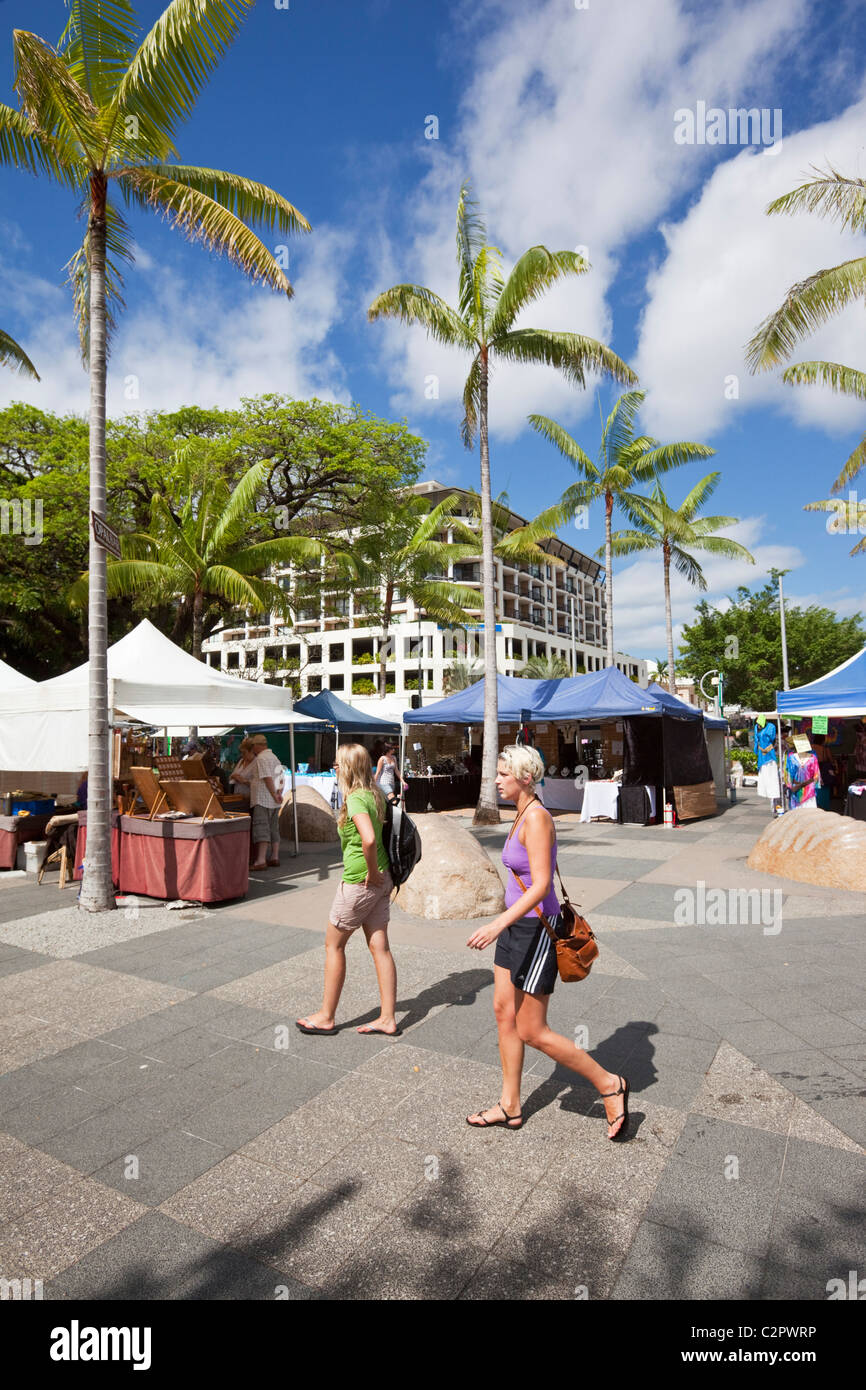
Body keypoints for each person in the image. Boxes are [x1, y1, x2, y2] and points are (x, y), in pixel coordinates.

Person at [466, 744, 630, 1141]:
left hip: (536, 930)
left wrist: (496, 924)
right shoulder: (521, 812)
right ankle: (510, 1105)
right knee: (504, 1012)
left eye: (503, 774)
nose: (496, 780)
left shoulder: (536, 818)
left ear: (524, 777)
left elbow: (541, 886)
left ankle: (610, 1084)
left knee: (531, 1029)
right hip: (514, 929)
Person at [296, 743, 398, 1037]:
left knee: (334, 946)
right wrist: (378, 873)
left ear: (349, 768)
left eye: (338, 764)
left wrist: (371, 871)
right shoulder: (375, 793)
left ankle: (326, 1016)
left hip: (360, 882)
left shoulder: (355, 799)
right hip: (380, 880)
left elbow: (367, 839)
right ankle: (388, 1018)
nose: (334, 768)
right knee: (381, 948)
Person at [233, 733, 284, 868]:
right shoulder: (274, 757)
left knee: (261, 828)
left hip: (262, 799)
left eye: (253, 746)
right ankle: (274, 856)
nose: (253, 749)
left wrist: (274, 794)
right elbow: (281, 776)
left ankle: (261, 860)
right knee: (273, 828)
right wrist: (279, 793)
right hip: (272, 801)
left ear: (256, 746)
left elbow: (267, 778)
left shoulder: (261, 758)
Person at [374, 740, 401, 805]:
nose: (394, 749)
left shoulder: (394, 758)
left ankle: (388, 814)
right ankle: (396, 814)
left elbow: (396, 771)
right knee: (394, 800)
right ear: (388, 749)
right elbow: (378, 772)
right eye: (392, 748)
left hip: (391, 782)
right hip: (383, 782)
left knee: (387, 801)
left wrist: (402, 781)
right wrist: (373, 784)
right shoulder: (382, 759)